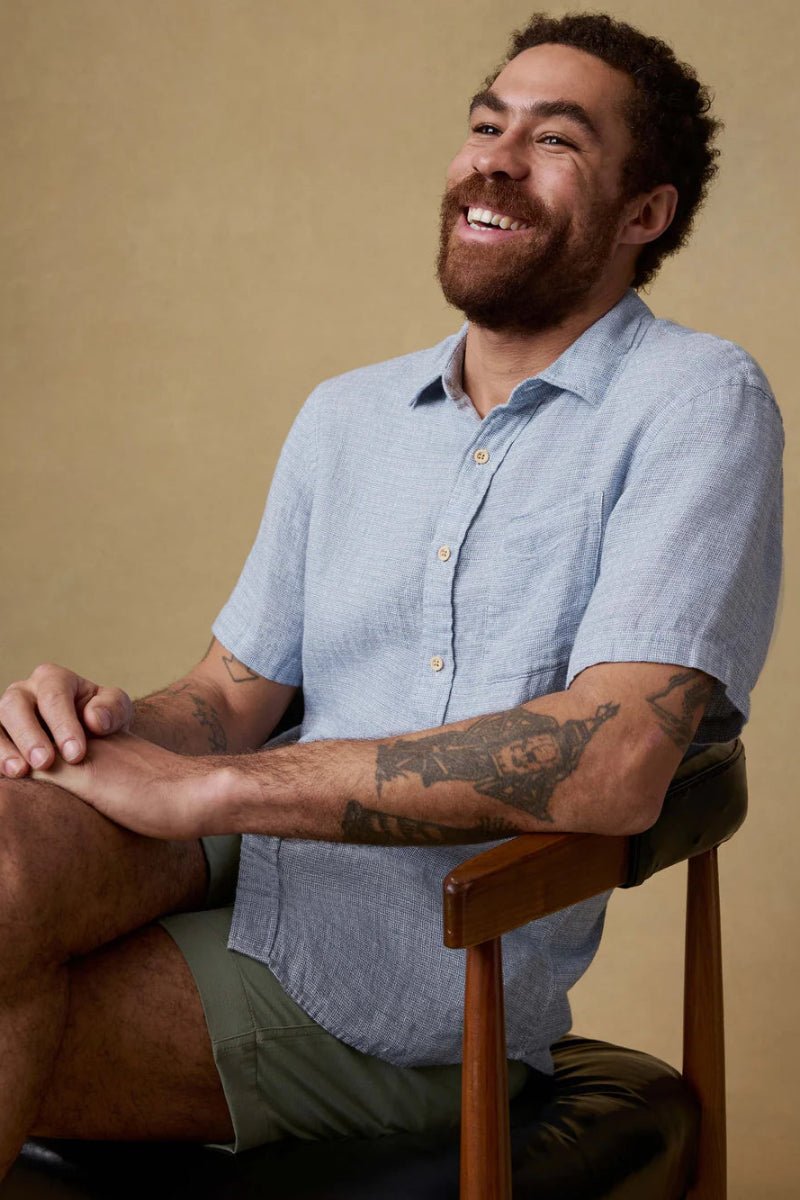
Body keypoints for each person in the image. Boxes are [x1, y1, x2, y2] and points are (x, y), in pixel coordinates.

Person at [0, 10, 783, 1175]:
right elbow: (227, 692)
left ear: (643, 213)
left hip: (420, 975)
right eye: (484, 124)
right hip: (249, 849)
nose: (495, 160)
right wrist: (87, 728)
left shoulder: (692, 400)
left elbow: (615, 759)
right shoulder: (346, 415)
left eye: (554, 139)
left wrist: (214, 788)